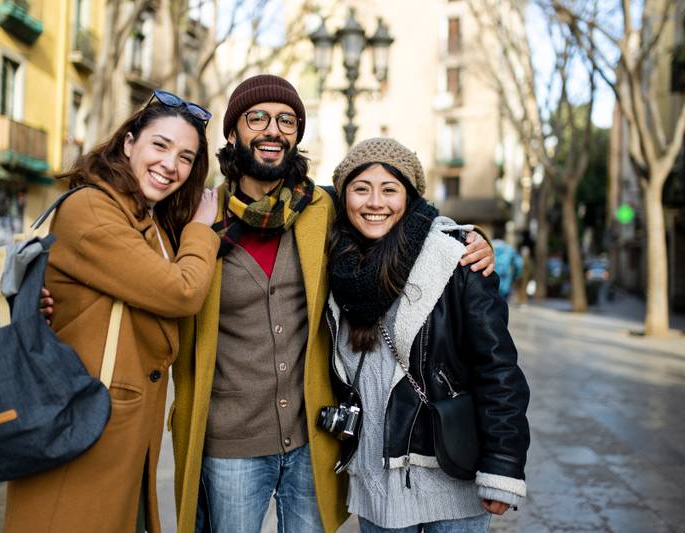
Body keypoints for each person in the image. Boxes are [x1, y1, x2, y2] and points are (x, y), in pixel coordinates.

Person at [170, 75, 497, 532]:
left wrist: (464, 239)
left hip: (312, 439)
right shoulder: (199, 218)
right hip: (229, 442)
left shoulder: (321, 211)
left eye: (286, 120)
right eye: (257, 117)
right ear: (232, 133)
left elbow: (396, 215)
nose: (272, 129)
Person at [5, 90, 220, 533]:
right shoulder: (91, 208)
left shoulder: (150, 219)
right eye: (159, 145)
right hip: (84, 424)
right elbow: (180, 291)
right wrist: (202, 230)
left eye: (185, 157)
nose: (170, 165)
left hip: (117, 430)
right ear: (128, 143)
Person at [323, 138, 530, 532]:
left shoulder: (454, 257)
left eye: (389, 189)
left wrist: (503, 466)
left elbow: (498, 366)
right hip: (377, 481)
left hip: (451, 474)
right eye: (360, 188)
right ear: (343, 196)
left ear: (410, 196)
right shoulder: (335, 263)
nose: (374, 202)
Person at [492, 228, 523, 300]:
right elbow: (519, 263)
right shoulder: (509, 248)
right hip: (505, 279)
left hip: (489, 277)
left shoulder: (487, 246)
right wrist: (516, 276)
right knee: (502, 304)